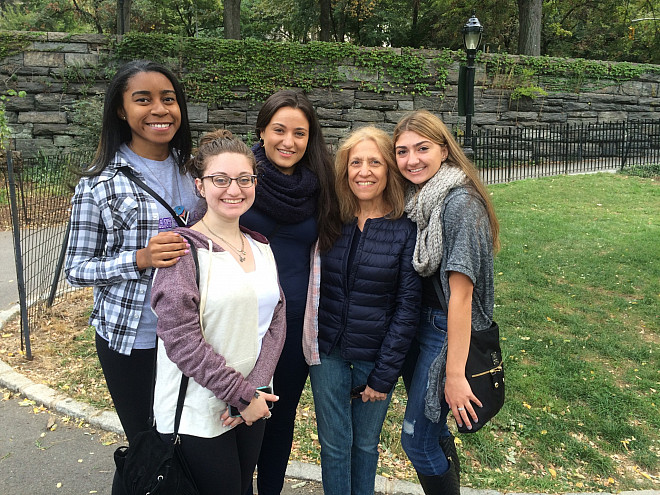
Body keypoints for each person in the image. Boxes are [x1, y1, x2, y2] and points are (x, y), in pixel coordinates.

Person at [64, 60, 204, 494]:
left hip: (194, 336)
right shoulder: (99, 184)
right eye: (142, 99)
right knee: (147, 449)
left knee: (189, 443)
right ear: (121, 111)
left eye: (168, 98)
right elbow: (76, 268)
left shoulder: (195, 172)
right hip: (134, 339)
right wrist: (139, 257)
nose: (159, 109)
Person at [150, 129, 286, 495]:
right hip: (200, 410)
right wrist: (239, 394)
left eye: (244, 179)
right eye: (220, 179)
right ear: (199, 185)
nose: (234, 189)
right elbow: (181, 340)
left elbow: (276, 318)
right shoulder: (181, 252)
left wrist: (255, 388)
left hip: (252, 402)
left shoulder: (260, 246)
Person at [306, 126, 421, 495]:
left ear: (389, 169)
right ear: (345, 170)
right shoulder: (331, 220)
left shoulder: (405, 229)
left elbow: (407, 309)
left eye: (374, 162)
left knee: (365, 446)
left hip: (375, 358)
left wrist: (384, 376)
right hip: (328, 353)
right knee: (335, 446)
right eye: (356, 162)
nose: (364, 171)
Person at [393, 110, 500, 495]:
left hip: (443, 333)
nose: (412, 160)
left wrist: (454, 375)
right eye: (402, 151)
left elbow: (463, 294)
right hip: (420, 328)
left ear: (444, 149)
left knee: (416, 442)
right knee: (433, 434)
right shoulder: (419, 199)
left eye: (422, 148)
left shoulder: (459, 203)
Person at [241, 89, 340, 495]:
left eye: (299, 133)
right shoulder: (240, 178)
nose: (289, 141)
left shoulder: (320, 187)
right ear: (262, 130)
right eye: (279, 130)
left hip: (297, 321)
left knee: (279, 418)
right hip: (245, 319)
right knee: (239, 413)